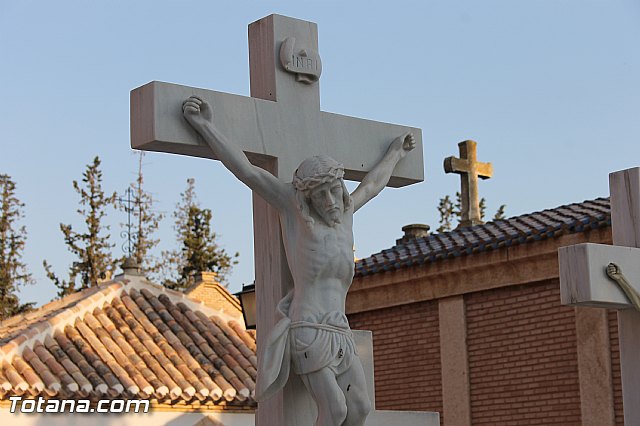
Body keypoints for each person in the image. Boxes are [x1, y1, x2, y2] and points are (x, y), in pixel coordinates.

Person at [183, 96, 416, 426]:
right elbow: (247, 171)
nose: (329, 201)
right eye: (319, 195)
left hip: (340, 328)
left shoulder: (347, 213)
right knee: (334, 410)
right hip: (308, 328)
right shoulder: (293, 209)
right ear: (306, 197)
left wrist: (396, 153)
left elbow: (373, 184)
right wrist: (206, 126)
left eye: (333, 190)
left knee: (360, 409)